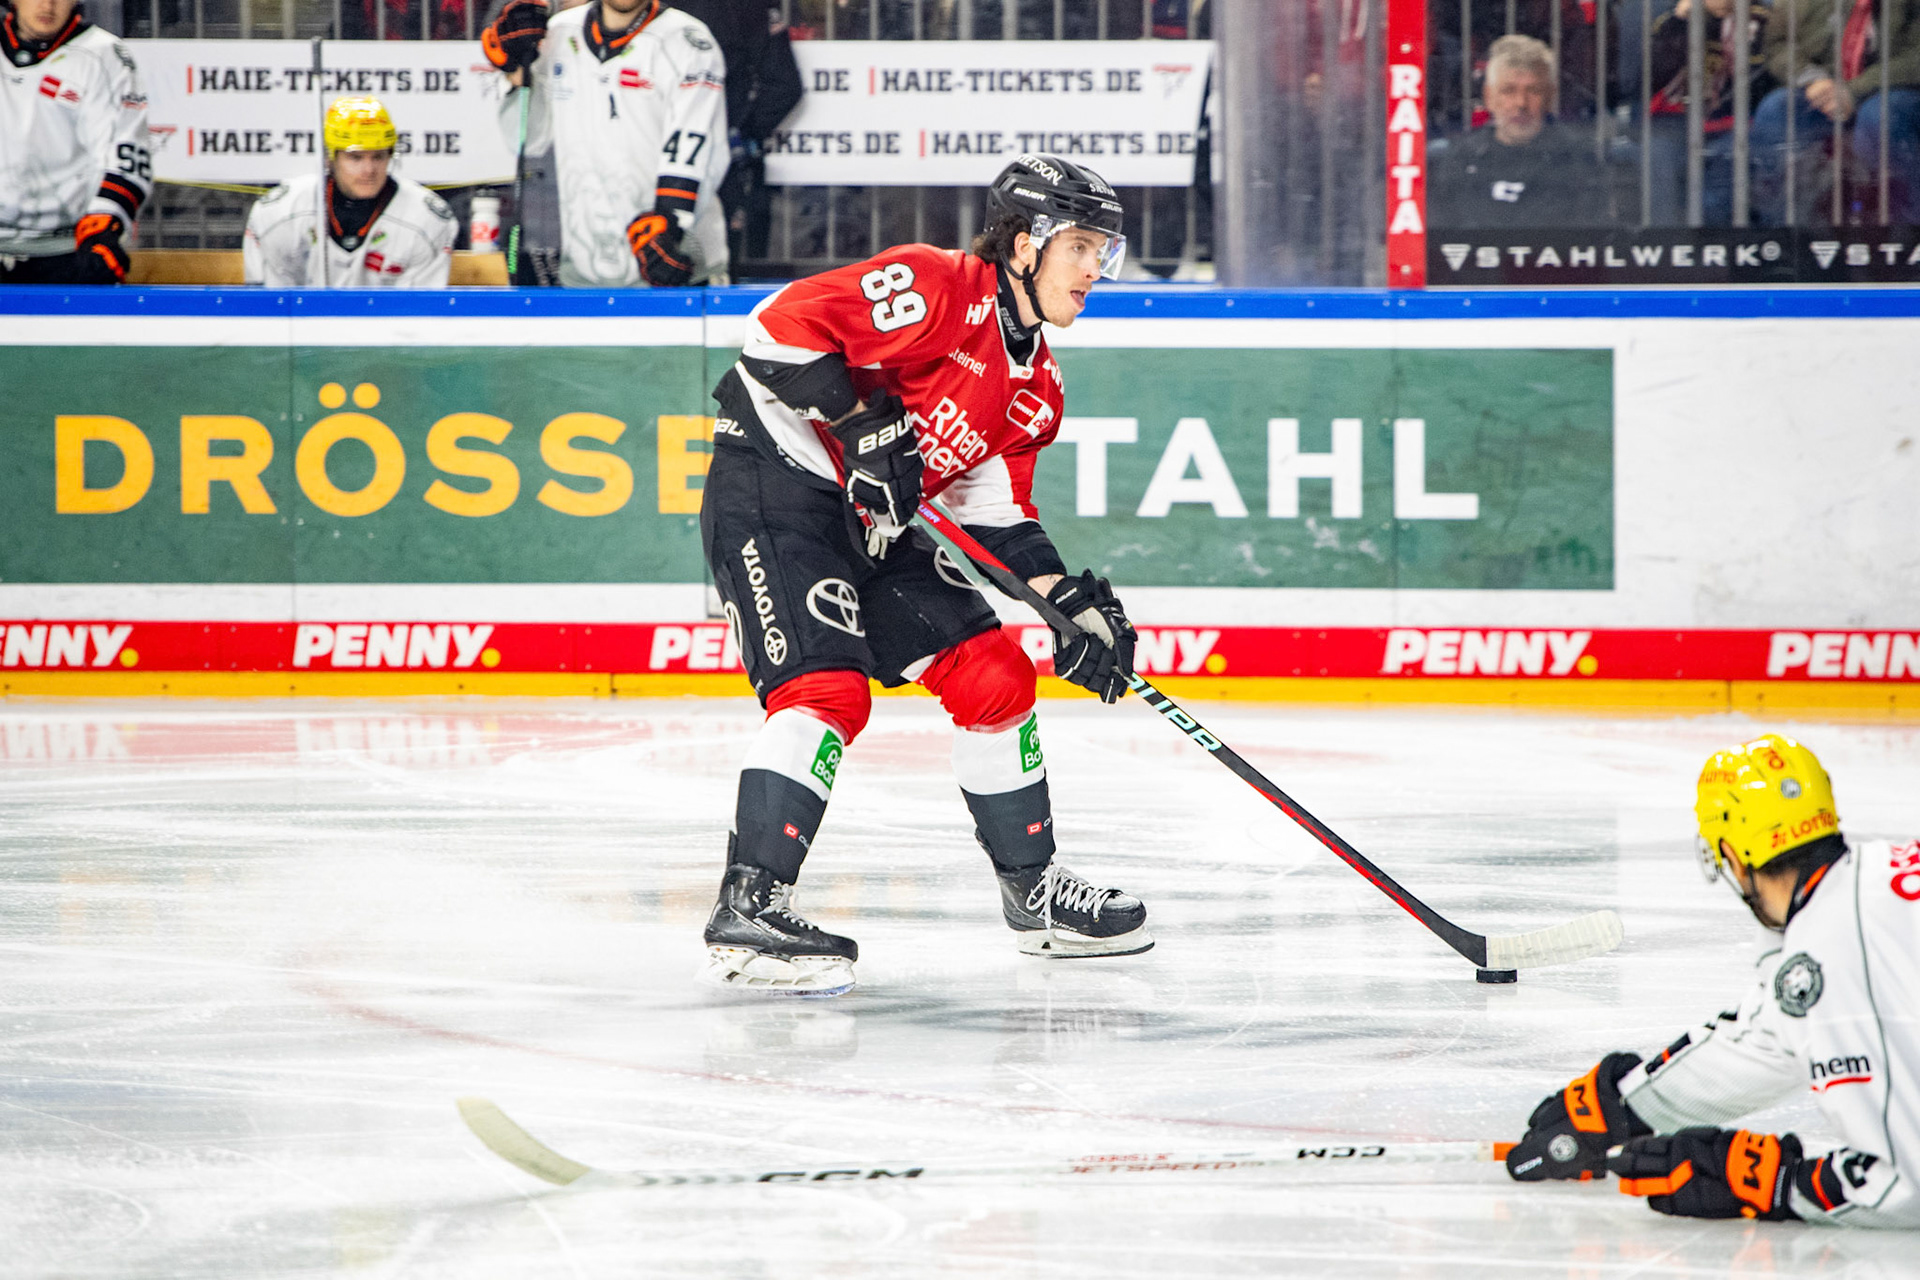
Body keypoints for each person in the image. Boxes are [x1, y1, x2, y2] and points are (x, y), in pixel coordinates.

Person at [696, 154, 1150, 996]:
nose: (1097, 268)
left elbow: (997, 514)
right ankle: (750, 905)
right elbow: (775, 329)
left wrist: (1067, 610)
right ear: (1024, 245)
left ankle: (1034, 895)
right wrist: (861, 421)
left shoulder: (1036, 387)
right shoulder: (938, 285)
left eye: (1104, 250)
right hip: (773, 487)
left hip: (876, 520)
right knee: (827, 692)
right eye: (1082, 246)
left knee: (996, 675)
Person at [1506, 733, 1917, 1227]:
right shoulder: (1871, 881)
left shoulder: (1830, 955)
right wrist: (1625, 1108)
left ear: (1732, 852)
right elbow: (1766, 1037)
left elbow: (1902, 1186)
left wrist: (1778, 1182)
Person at [482, 0, 730, 287]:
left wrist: (669, 224)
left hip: (674, 265)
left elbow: (697, 147)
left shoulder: (689, 41)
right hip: (586, 269)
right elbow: (526, 140)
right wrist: (515, 73)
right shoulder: (558, 32)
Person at [0, 0, 149, 284]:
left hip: (70, 249)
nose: (48, 4)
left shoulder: (105, 54)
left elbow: (126, 152)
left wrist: (104, 222)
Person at [243, 97, 458, 289]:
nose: (369, 170)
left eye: (378, 156)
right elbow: (270, 309)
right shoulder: (280, 214)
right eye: (356, 158)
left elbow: (417, 316)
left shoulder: (425, 220)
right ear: (330, 159)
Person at [1752, 0, 1920, 224]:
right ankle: (1781, 234)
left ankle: (1900, 231)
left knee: (1879, 116)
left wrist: (1854, 90)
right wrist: (1812, 78)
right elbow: (1779, 44)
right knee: (1777, 109)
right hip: (1826, 90)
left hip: (1895, 90)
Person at [1427, 34, 1617, 229]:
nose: (1521, 103)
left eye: (1533, 91)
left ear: (1550, 96)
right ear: (1488, 96)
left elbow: (1594, 237)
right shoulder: (1460, 158)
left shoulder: (1580, 159)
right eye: (1508, 90)